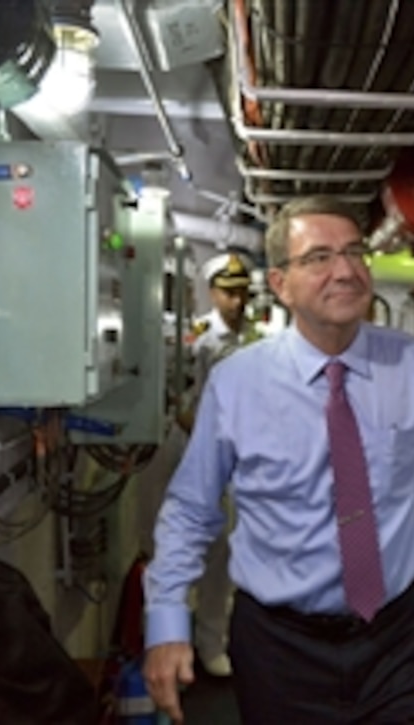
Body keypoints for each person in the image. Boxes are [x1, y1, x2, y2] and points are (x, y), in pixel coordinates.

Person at [143, 196, 414, 724]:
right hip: (282, 648)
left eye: (355, 252)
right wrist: (168, 622)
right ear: (281, 284)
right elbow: (192, 509)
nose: (346, 270)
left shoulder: (408, 363)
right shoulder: (238, 383)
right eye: (319, 257)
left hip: (394, 638)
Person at [177, 251, 257, 678]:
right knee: (203, 550)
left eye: (242, 291)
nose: (237, 299)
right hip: (205, 461)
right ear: (212, 292)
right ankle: (195, 644)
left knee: (231, 553)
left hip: (244, 462)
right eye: (228, 291)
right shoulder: (200, 341)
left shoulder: (252, 339)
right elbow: (181, 406)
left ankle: (216, 638)